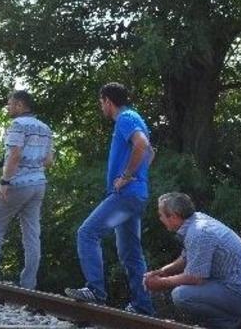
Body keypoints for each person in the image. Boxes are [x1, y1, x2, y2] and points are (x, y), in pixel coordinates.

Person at [65, 83, 154, 315]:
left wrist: (127, 176)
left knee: (87, 233)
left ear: (107, 100)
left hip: (125, 196)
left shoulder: (125, 118)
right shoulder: (134, 118)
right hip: (135, 196)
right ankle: (143, 306)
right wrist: (139, 176)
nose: (101, 107)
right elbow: (150, 152)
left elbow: (142, 145)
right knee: (131, 253)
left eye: (101, 103)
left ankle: (95, 291)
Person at [145, 193, 241, 329]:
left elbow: (194, 278)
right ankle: (235, 324)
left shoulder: (198, 232)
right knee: (184, 292)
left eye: (161, 215)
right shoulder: (196, 222)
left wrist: (161, 283)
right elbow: (186, 257)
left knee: (182, 295)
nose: (160, 219)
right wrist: (162, 272)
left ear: (173, 216)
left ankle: (233, 326)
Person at [0, 90, 53, 289]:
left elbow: (15, 155)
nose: (8, 107)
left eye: (10, 104)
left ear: (20, 105)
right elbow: (49, 160)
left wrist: (4, 182)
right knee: (32, 234)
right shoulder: (45, 128)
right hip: (38, 184)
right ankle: (28, 285)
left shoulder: (17, 125)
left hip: (17, 184)